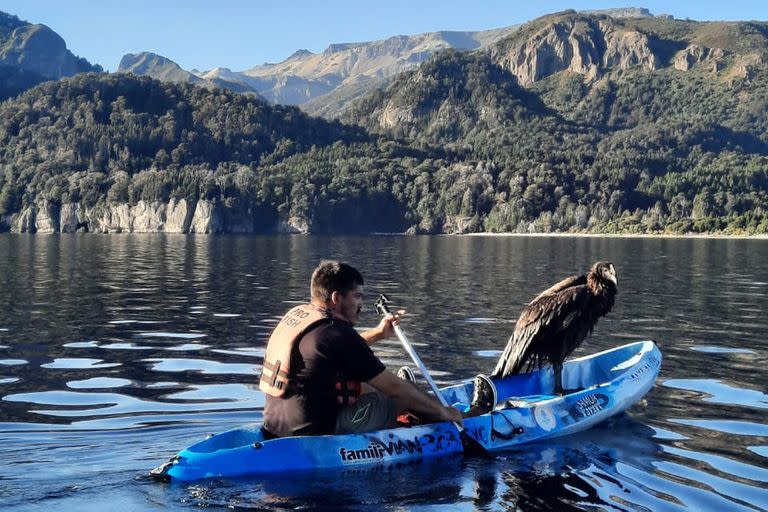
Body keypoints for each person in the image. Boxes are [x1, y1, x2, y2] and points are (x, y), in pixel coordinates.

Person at [261, 260, 463, 437]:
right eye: (357, 297)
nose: (361, 305)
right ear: (336, 298)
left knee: (367, 386)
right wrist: (445, 412)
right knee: (402, 396)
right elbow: (395, 388)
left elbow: (337, 351)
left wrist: (379, 333)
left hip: (274, 424)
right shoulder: (337, 333)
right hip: (315, 431)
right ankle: (446, 422)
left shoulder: (300, 319)